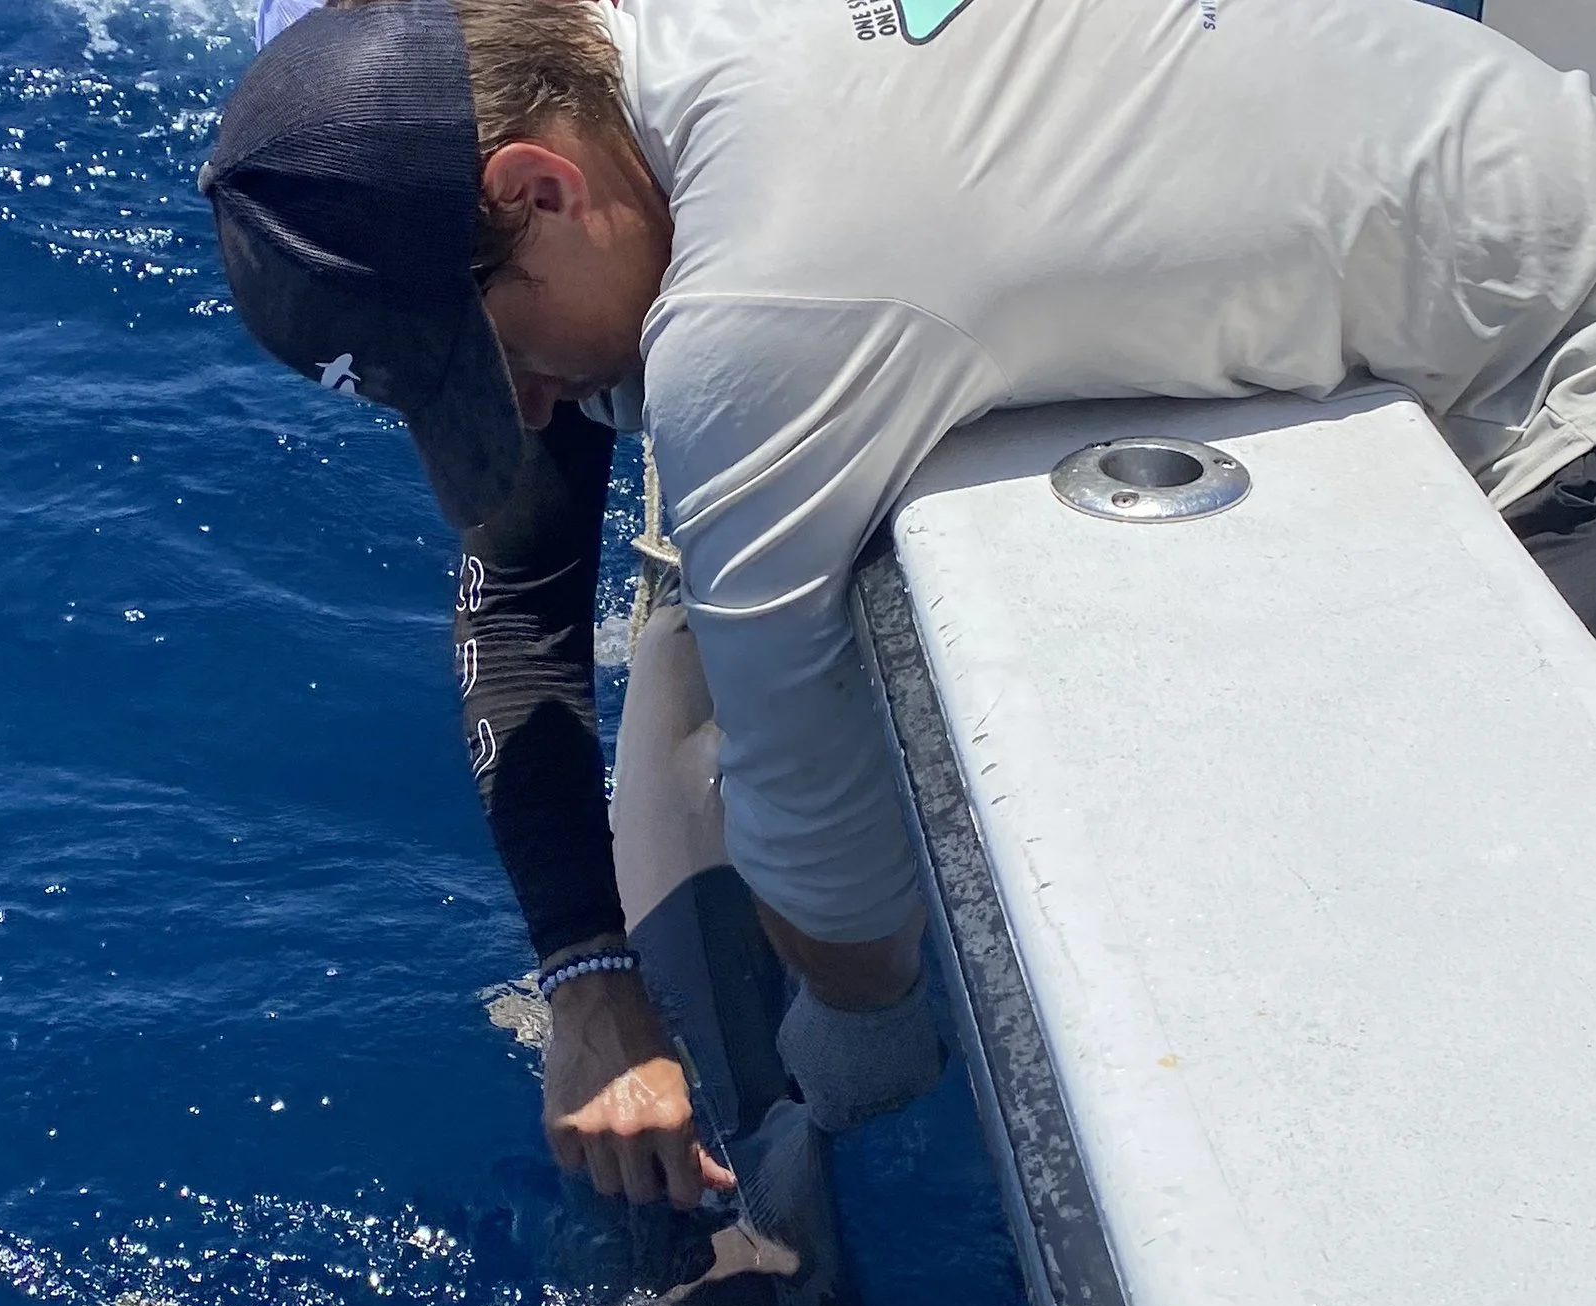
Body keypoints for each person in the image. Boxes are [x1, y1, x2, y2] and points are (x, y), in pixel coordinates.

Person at [199, 0, 1596, 1204]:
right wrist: (582, 969)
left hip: (1551, 396)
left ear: (541, 189)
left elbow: (852, 923)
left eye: (497, 357)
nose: (535, 408)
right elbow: (520, 568)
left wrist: (846, 1074)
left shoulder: (754, 320)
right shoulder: (638, 62)